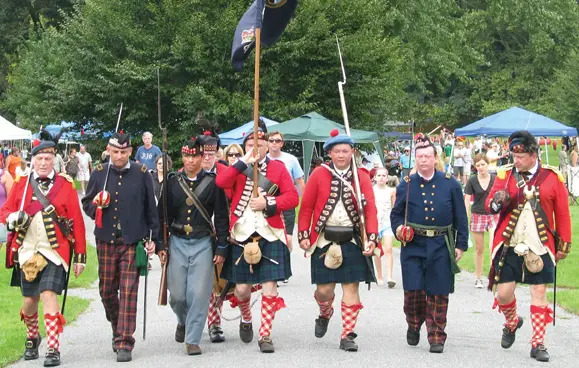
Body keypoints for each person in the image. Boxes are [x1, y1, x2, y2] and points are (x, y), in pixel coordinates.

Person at [0, 130, 86, 367]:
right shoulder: (21, 184)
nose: (44, 163)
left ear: (54, 160)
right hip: (26, 251)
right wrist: (13, 218)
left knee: (48, 294)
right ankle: (32, 336)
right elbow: (4, 211)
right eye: (40, 159)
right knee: (29, 300)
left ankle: (53, 348)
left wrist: (80, 257)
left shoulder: (65, 185)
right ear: (33, 160)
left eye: (48, 159)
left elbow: (77, 221)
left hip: (55, 252)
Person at [486, 130, 571, 362]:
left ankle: (538, 343)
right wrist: (497, 201)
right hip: (509, 243)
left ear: (533, 155)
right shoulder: (505, 175)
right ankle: (512, 321)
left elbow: (562, 213)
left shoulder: (552, 177)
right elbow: (489, 205)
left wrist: (564, 243)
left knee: (539, 290)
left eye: (520, 156)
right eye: (514, 156)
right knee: (503, 294)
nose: (516, 160)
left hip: (540, 244)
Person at [215, 122, 299, 353]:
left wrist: (269, 203)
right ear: (245, 147)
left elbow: (293, 198)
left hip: (270, 234)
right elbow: (221, 183)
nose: (256, 148)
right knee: (241, 290)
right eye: (251, 144)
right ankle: (246, 317)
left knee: (270, 287)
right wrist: (243, 162)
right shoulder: (236, 168)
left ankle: (265, 335)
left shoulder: (279, 169)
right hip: (241, 234)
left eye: (260, 144)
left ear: (266, 146)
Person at [297, 129, 378, 352]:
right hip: (324, 240)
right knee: (324, 290)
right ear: (330, 153)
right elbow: (306, 208)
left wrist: (372, 238)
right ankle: (325, 312)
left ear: (352, 151)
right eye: (337, 151)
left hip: (352, 240)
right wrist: (304, 234)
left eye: (345, 150)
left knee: (351, 287)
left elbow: (370, 210)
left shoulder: (361, 176)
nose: (341, 155)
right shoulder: (318, 174)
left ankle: (347, 335)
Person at [82, 132, 159, 362]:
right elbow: (86, 204)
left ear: (130, 151)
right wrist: (96, 204)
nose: (119, 156)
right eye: (115, 152)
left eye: (123, 152)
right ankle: (118, 328)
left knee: (128, 291)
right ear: (109, 149)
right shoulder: (98, 173)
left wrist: (153, 237)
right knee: (107, 291)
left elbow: (150, 209)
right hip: (105, 239)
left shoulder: (142, 173)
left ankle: (125, 341)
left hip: (132, 240)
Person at [390, 135, 468, 354]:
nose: (423, 160)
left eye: (427, 156)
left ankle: (436, 336)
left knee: (438, 292)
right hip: (413, 244)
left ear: (435, 159)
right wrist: (398, 230)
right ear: (415, 159)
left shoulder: (450, 183)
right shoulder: (407, 184)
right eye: (420, 157)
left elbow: (461, 217)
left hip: (441, 244)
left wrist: (461, 244)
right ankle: (413, 323)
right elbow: (395, 215)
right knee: (413, 292)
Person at [157, 135, 229, 356]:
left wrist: (222, 247)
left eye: (195, 156)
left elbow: (221, 218)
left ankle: (193, 339)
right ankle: (183, 320)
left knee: (199, 293)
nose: (190, 161)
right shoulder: (171, 182)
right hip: (177, 241)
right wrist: (161, 243)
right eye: (187, 157)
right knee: (177, 295)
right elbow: (162, 216)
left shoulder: (212, 183)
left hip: (203, 242)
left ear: (201, 157)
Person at [267, 131, 306, 252]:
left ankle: (287, 265)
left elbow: (299, 182)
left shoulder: (291, 159)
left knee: (288, 239)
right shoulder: (262, 159)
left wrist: (304, 203)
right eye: (271, 140)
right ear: (267, 143)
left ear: (282, 143)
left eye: (277, 141)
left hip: (286, 202)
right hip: (268, 202)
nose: (274, 143)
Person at [464, 154, 497, 288]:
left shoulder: (494, 178)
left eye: (483, 164)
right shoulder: (472, 180)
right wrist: (465, 216)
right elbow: (467, 200)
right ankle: (478, 277)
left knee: (493, 246)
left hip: (493, 214)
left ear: (487, 164)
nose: (481, 167)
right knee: (479, 249)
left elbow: (501, 195)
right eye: (478, 165)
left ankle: (493, 275)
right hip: (477, 214)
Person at [373, 169, 397, 287]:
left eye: (384, 175)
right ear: (375, 177)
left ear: (387, 178)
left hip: (387, 222)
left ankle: (390, 276)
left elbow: (395, 207)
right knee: (377, 250)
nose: (381, 177)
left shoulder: (391, 191)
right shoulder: (372, 190)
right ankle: (379, 275)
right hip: (375, 223)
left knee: (388, 248)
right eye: (379, 175)